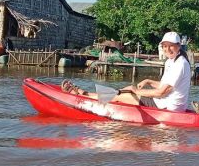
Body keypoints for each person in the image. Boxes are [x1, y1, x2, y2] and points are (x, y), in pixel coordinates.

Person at [62, 31, 191, 112]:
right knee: (125, 90)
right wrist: (148, 80)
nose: (167, 49)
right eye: (165, 46)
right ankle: (88, 94)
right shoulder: (172, 60)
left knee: (124, 94)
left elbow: (162, 91)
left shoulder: (180, 64)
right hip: (165, 102)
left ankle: (84, 95)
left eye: (171, 46)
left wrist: (136, 91)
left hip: (169, 107)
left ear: (179, 46)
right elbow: (166, 86)